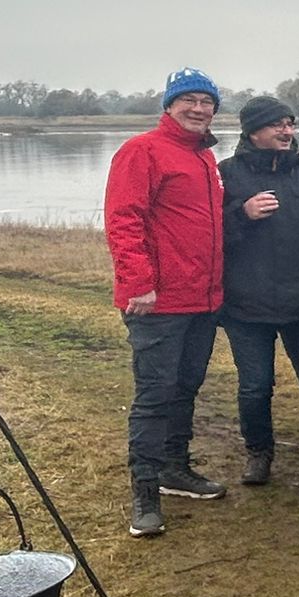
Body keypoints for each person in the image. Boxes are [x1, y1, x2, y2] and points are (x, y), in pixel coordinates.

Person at [103, 67, 227, 539]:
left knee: (186, 387)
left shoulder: (204, 159)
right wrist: (138, 282)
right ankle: (146, 489)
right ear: (169, 106)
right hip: (156, 302)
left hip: (203, 298)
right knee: (154, 395)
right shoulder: (143, 151)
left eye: (207, 102)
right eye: (189, 100)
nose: (199, 109)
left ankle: (175, 468)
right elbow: (123, 219)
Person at [216, 95, 299, 495]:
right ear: (251, 130)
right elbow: (210, 237)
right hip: (246, 306)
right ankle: (258, 452)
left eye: (290, 124)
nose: (286, 131)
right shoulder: (227, 175)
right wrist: (242, 213)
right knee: (255, 387)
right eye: (277, 125)